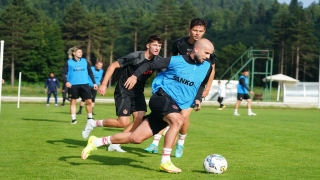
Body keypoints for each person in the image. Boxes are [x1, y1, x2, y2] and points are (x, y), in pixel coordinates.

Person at [81, 38, 214, 173]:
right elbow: (148, 65)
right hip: (162, 98)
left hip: (176, 105)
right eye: (206, 53)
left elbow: (201, 83)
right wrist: (134, 76)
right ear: (196, 49)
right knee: (179, 120)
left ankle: (96, 142)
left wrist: (198, 98)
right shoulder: (175, 60)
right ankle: (165, 161)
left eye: (210, 54)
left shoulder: (207, 67)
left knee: (136, 138)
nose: (208, 57)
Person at [144, 18, 218, 158]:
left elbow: (211, 70)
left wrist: (207, 88)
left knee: (182, 117)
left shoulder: (207, 48)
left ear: (204, 32)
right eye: (195, 30)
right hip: (176, 86)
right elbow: (172, 62)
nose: (197, 33)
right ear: (189, 29)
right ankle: (155, 143)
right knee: (169, 114)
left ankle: (181, 143)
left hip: (194, 88)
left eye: (200, 31)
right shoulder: (179, 44)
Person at [81, 35, 163, 152]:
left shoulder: (158, 60)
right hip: (124, 90)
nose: (157, 48)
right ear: (148, 45)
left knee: (139, 120)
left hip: (138, 92)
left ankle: (115, 144)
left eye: (159, 46)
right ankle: (93, 123)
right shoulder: (136, 56)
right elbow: (113, 65)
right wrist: (104, 84)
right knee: (123, 123)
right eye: (155, 45)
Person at [61, 47, 97, 124]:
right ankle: (73, 119)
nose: (81, 53)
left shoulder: (85, 61)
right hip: (73, 85)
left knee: (89, 101)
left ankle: (90, 118)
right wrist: (66, 82)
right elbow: (63, 73)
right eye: (79, 52)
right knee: (73, 102)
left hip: (85, 84)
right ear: (74, 53)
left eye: (81, 52)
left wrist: (94, 83)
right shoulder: (69, 62)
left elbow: (90, 72)